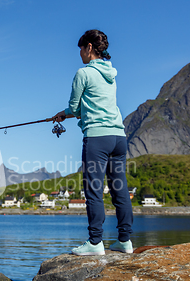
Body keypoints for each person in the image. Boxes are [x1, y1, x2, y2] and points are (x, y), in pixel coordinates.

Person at [53, 29, 133, 256]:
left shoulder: (83, 73)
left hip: (97, 138)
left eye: (80, 48)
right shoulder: (112, 74)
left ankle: (96, 242)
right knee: (120, 189)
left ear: (89, 47)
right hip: (119, 137)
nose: (79, 54)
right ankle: (125, 241)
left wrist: (63, 114)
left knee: (93, 191)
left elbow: (76, 108)